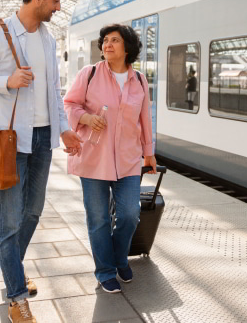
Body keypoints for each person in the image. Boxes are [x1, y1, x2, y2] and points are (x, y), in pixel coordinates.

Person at [0, 0, 82, 323]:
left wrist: (63, 129)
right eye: (56, 0)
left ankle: (11, 270)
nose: (58, 7)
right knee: (9, 221)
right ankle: (16, 294)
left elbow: (54, 92)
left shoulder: (47, 39)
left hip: (43, 139)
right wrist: (6, 81)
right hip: (10, 141)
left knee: (32, 213)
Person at [63, 24, 156, 294]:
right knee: (99, 219)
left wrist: (148, 153)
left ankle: (118, 259)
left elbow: (144, 118)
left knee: (129, 214)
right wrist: (86, 117)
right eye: (105, 40)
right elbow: (69, 104)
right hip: (94, 159)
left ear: (127, 47)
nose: (107, 45)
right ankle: (105, 271)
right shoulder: (89, 74)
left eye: (114, 40)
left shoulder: (138, 80)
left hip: (128, 160)